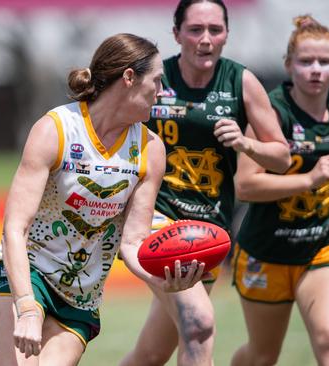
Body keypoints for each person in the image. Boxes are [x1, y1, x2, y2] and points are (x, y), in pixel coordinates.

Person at [0, 33, 207, 366]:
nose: (162, 92)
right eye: (156, 81)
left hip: (81, 295)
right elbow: (15, 228)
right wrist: (26, 307)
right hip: (29, 275)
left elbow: (132, 242)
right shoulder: (55, 129)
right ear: (129, 78)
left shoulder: (150, 149)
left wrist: (162, 280)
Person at [120, 1, 292, 365]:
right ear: (177, 34)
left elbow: (282, 157)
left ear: (227, 34)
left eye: (215, 29)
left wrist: (246, 143)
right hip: (156, 219)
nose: (206, 39)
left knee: (151, 354)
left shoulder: (241, 82)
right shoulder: (155, 79)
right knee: (198, 323)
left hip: (206, 233)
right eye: (195, 29)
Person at [230, 15, 329, 366]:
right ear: (288, 64)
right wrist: (310, 179)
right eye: (306, 61)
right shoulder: (270, 113)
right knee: (262, 355)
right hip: (266, 250)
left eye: (325, 62)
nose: (316, 70)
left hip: (326, 243)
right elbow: (246, 185)